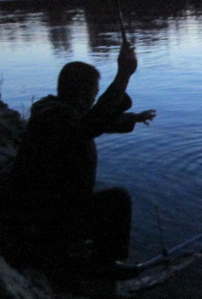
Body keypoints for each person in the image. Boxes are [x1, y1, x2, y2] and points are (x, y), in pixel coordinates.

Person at [4, 42, 155, 279]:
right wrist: (123, 74)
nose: (96, 96)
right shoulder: (56, 116)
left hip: (46, 210)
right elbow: (89, 123)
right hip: (41, 220)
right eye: (95, 92)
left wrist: (133, 118)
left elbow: (90, 121)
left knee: (102, 198)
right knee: (117, 201)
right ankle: (101, 266)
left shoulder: (53, 109)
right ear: (82, 92)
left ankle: (76, 249)